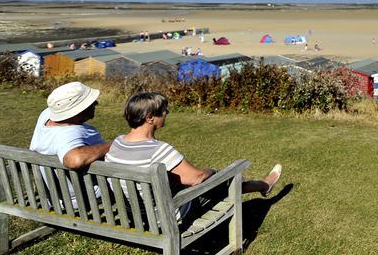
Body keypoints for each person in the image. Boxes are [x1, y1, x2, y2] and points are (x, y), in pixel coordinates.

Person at [106, 92, 282, 220]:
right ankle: (264, 185)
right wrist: (211, 171)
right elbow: (196, 179)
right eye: (163, 110)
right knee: (216, 179)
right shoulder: (159, 150)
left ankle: (263, 186)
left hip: (133, 215)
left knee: (204, 182)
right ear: (150, 118)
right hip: (163, 217)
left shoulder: (117, 144)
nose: (167, 113)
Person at [30, 81, 111, 170]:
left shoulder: (47, 114)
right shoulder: (70, 133)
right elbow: (74, 161)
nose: (96, 103)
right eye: (90, 103)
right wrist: (112, 145)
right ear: (79, 110)